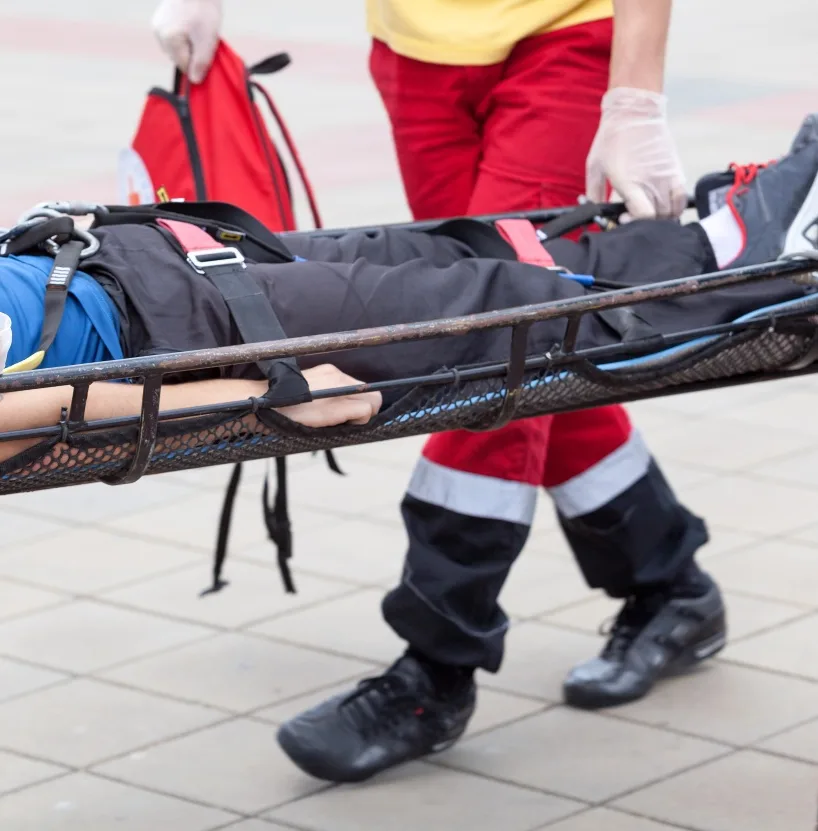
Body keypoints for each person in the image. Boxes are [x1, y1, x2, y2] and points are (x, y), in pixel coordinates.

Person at [147, 0, 715, 730]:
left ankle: (438, 660)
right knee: (536, 345)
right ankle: (671, 582)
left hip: (564, 33)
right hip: (416, 52)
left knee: (491, 338)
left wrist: (635, 98)